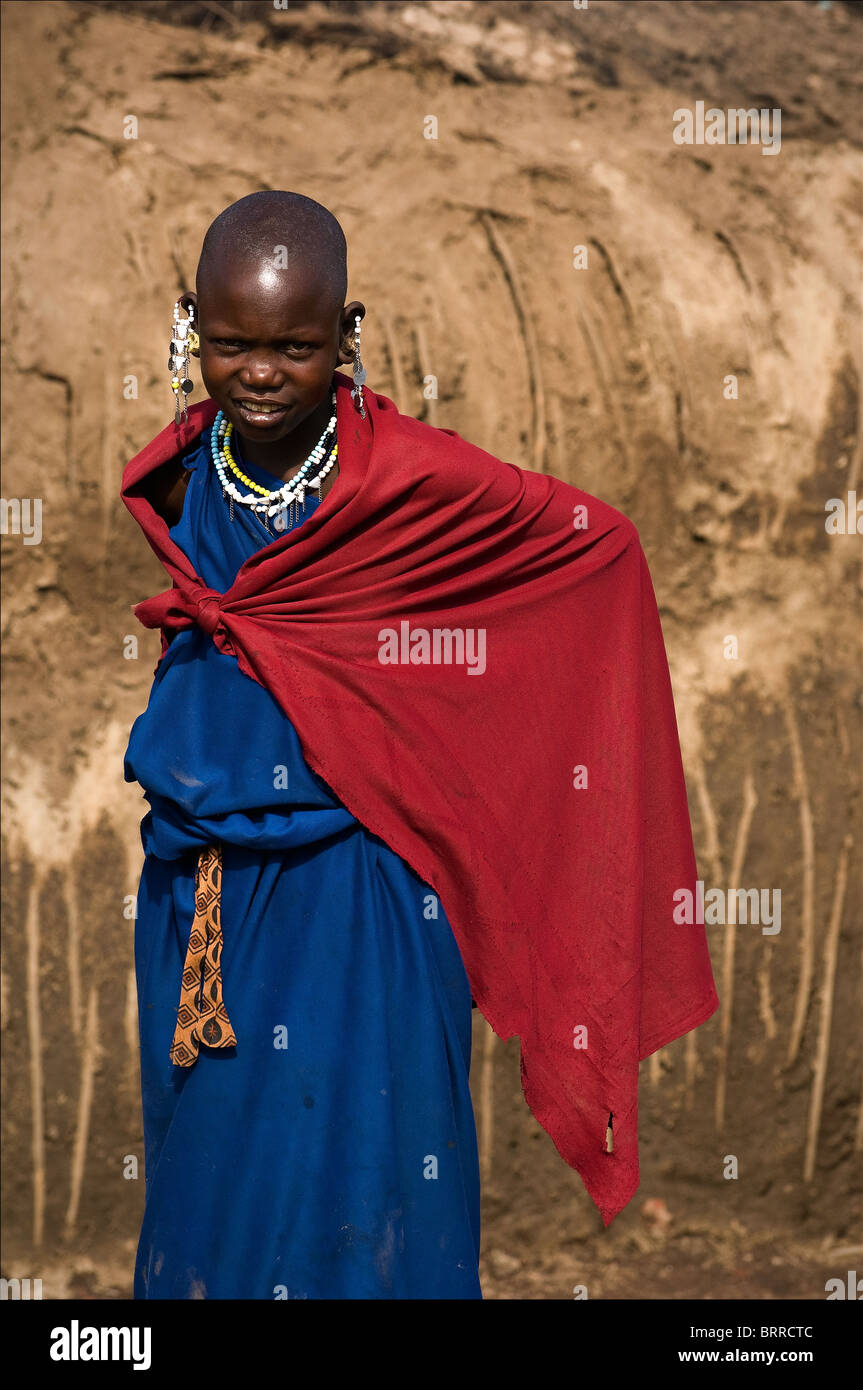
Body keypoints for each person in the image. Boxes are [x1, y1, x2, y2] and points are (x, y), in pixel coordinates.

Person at [121, 190, 718, 1301]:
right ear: (189, 327)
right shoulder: (183, 469)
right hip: (200, 899)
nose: (258, 373)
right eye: (232, 343)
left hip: (363, 897)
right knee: (214, 1190)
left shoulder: (407, 480)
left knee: (365, 1174)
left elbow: (595, 547)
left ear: (347, 337)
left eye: (295, 348)